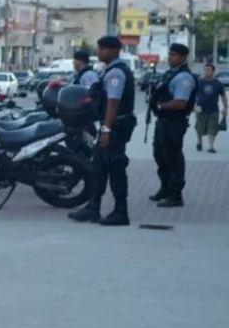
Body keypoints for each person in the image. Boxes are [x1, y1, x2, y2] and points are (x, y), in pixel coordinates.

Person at [68, 36, 137, 226]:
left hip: (115, 128)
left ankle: (120, 212)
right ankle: (93, 207)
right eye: (99, 49)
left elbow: (113, 104)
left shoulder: (116, 74)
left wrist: (106, 130)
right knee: (99, 167)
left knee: (115, 168)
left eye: (103, 49)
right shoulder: (110, 71)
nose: (99, 52)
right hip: (112, 127)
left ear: (115, 50)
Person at [149, 43, 197, 208]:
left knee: (172, 157)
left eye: (174, 55)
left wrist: (162, 106)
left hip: (174, 122)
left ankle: (176, 194)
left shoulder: (184, 77)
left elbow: (180, 103)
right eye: (169, 54)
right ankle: (165, 187)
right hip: (163, 121)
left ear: (183, 58)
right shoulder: (170, 74)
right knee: (160, 155)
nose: (170, 58)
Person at [194, 63, 226, 153]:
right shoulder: (199, 82)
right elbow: (195, 95)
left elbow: (223, 96)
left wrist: (225, 108)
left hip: (214, 110)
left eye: (208, 70)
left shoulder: (218, 84)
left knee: (213, 128)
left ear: (213, 71)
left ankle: (211, 146)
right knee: (199, 127)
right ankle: (199, 141)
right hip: (201, 109)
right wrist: (194, 106)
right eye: (205, 70)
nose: (206, 72)